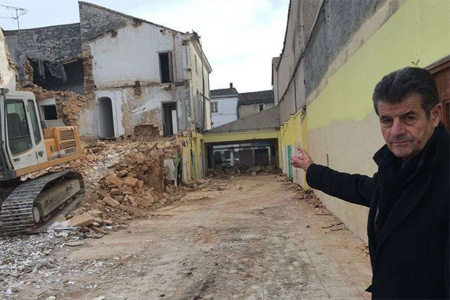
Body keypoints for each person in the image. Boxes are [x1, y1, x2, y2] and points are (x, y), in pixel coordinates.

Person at [291, 67, 449, 299]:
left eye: (409, 118)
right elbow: (357, 188)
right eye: (387, 120)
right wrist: (311, 169)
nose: (396, 131)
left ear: (434, 115)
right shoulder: (396, 169)